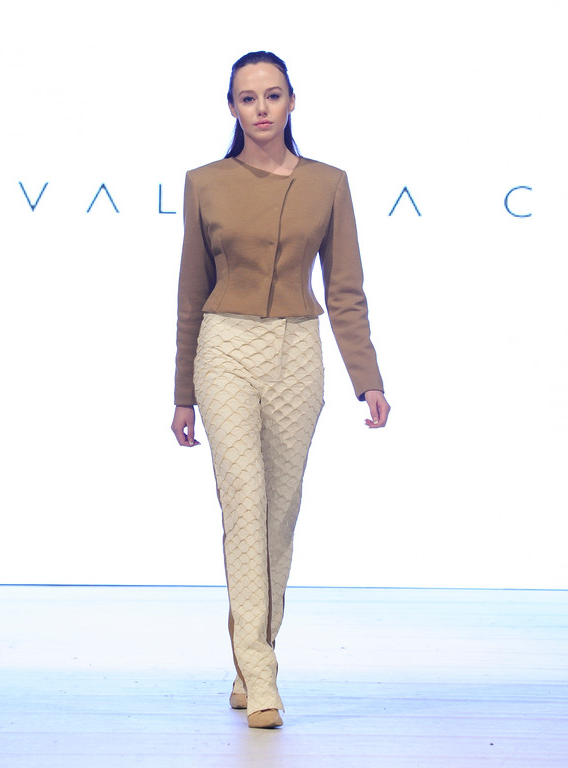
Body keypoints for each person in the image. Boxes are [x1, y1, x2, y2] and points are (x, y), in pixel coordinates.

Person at [171, 51, 390, 729]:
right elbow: (190, 291)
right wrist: (182, 392)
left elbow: (345, 288)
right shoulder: (205, 183)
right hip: (224, 347)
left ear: (292, 101)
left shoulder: (329, 184)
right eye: (247, 97)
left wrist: (367, 378)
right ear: (231, 108)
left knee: (278, 514)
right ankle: (262, 676)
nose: (261, 108)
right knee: (243, 503)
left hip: (298, 349)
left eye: (272, 95)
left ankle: (248, 659)